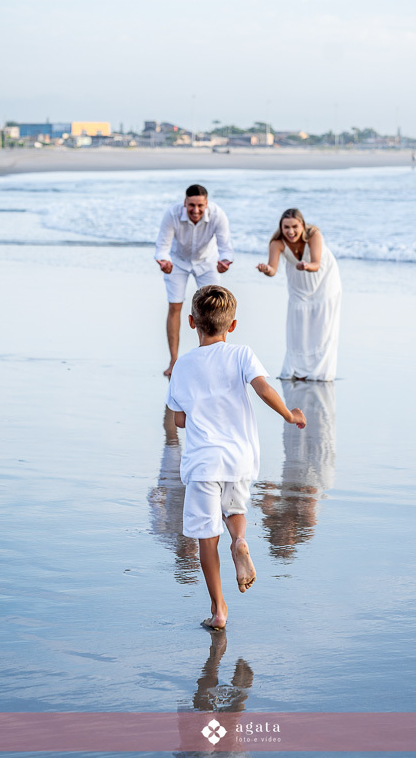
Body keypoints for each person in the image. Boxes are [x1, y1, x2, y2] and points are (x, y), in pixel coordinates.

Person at [166, 284, 306, 631]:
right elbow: (263, 389)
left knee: (205, 536)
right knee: (236, 510)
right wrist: (289, 415)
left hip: (203, 462)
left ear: (191, 322)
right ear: (232, 325)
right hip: (240, 458)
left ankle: (218, 610)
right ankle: (240, 541)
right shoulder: (242, 354)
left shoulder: (183, 366)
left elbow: (179, 419)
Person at [155, 184, 233, 377]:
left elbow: (226, 247)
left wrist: (225, 262)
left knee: (216, 308)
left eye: (200, 205)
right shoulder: (172, 214)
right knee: (175, 306)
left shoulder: (218, 214)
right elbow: (162, 246)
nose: (196, 210)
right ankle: (174, 362)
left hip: (207, 261)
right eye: (191, 205)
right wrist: (163, 261)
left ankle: (216, 359)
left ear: (206, 203)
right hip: (178, 262)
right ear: (185, 203)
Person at [257, 208, 341, 381]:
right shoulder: (277, 243)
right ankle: (298, 371)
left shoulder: (314, 235)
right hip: (298, 283)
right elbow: (272, 269)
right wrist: (266, 269)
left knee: (323, 328)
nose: (290, 231)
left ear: (302, 225)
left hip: (324, 280)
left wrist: (306, 266)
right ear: (281, 227)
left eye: (294, 226)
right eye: (286, 227)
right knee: (298, 329)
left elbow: (316, 264)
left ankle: (319, 373)